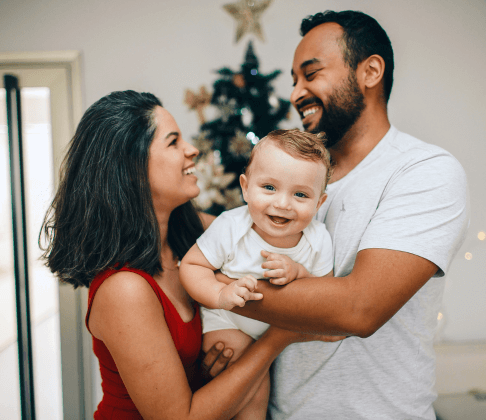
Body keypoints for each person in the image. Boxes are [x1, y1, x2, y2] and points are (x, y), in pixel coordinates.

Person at [212, 10, 469, 419]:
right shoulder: (292, 179)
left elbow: (358, 309)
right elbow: (240, 252)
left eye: (311, 74)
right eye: (294, 80)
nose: (296, 93)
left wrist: (213, 283)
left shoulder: (424, 170)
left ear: (370, 71)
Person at [40, 90, 341, 419]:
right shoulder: (124, 289)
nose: (192, 150)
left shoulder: (196, 232)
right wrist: (276, 338)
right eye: (173, 142)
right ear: (133, 167)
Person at [180, 129, 334, 419]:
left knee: (265, 383)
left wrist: (299, 272)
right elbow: (192, 266)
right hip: (228, 324)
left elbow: (325, 294)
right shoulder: (231, 226)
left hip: (274, 334)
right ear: (245, 187)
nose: (283, 203)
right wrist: (220, 294)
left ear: (319, 203)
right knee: (255, 389)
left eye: (300, 194)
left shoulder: (319, 240)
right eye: (269, 188)